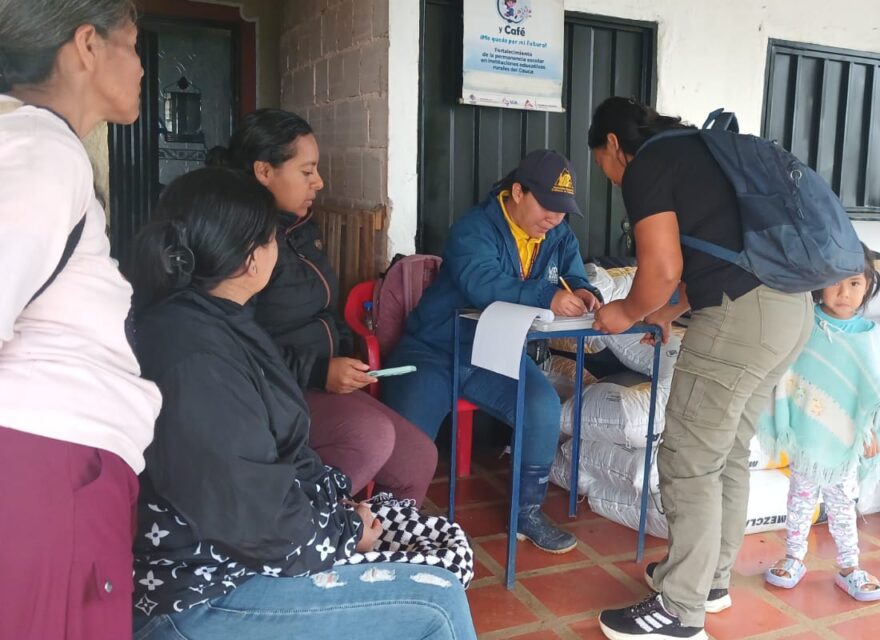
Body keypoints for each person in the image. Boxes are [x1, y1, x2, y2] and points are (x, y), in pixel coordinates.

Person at [125, 168, 477, 640]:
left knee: (431, 540)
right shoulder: (193, 358)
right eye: (272, 238)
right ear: (252, 260)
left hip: (235, 555)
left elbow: (279, 461)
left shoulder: (217, 319)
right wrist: (346, 536)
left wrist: (341, 510)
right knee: (438, 599)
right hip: (200, 594)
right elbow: (254, 512)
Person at [587, 97, 814, 640]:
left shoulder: (647, 167)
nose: (609, 174)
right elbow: (710, 253)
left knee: (689, 459)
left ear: (614, 145)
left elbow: (662, 266)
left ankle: (678, 611)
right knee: (727, 451)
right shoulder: (706, 151)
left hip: (741, 320)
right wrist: (666, 312)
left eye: (602, 160)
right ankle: (709, 583)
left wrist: (623, 312)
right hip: (790, 312)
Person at [0, 2, 163, 638]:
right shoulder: (41, 153)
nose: (145, 68)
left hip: (57, 474)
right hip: (48, 476)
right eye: (134, 45)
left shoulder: (39, 146)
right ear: (88, 45)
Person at [207, 108, 437, 504]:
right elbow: (232, 343)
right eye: (306, 171)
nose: (319, 182)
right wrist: (316, 370)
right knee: (370, 436)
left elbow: (323, 311)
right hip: (272, 391)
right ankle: (302, 532)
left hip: (319, 384)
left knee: (418, 458)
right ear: (264, 172)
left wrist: (347, 360)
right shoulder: (241, 241)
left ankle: (369, 550)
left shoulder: (300, 228)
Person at [381, 149, 598, 554]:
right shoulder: (473, 228)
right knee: (408, 439)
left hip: (492, 352)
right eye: (548, 206)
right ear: (518, 192)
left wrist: (585, 291)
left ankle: (526, 513)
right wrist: (546, 295)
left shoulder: (559, 234)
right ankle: (392, 519)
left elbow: (573, 274)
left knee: (542, 407)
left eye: (563, 211)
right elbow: (483, 284)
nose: (555, 218)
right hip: (434, 349)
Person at [755, 247, 880, 601]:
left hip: (847, 440)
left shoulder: (868, 334)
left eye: (854, 283)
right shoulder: (806, 323)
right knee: (800, 498)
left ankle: (850, 567)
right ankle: (793, 557)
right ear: (818, 285)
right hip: (808, 434)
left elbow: (874, 391)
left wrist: (869, 432)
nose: (843, 293)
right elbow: (791, 370)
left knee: (841, 503)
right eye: (834, 283)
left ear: (868, 286)